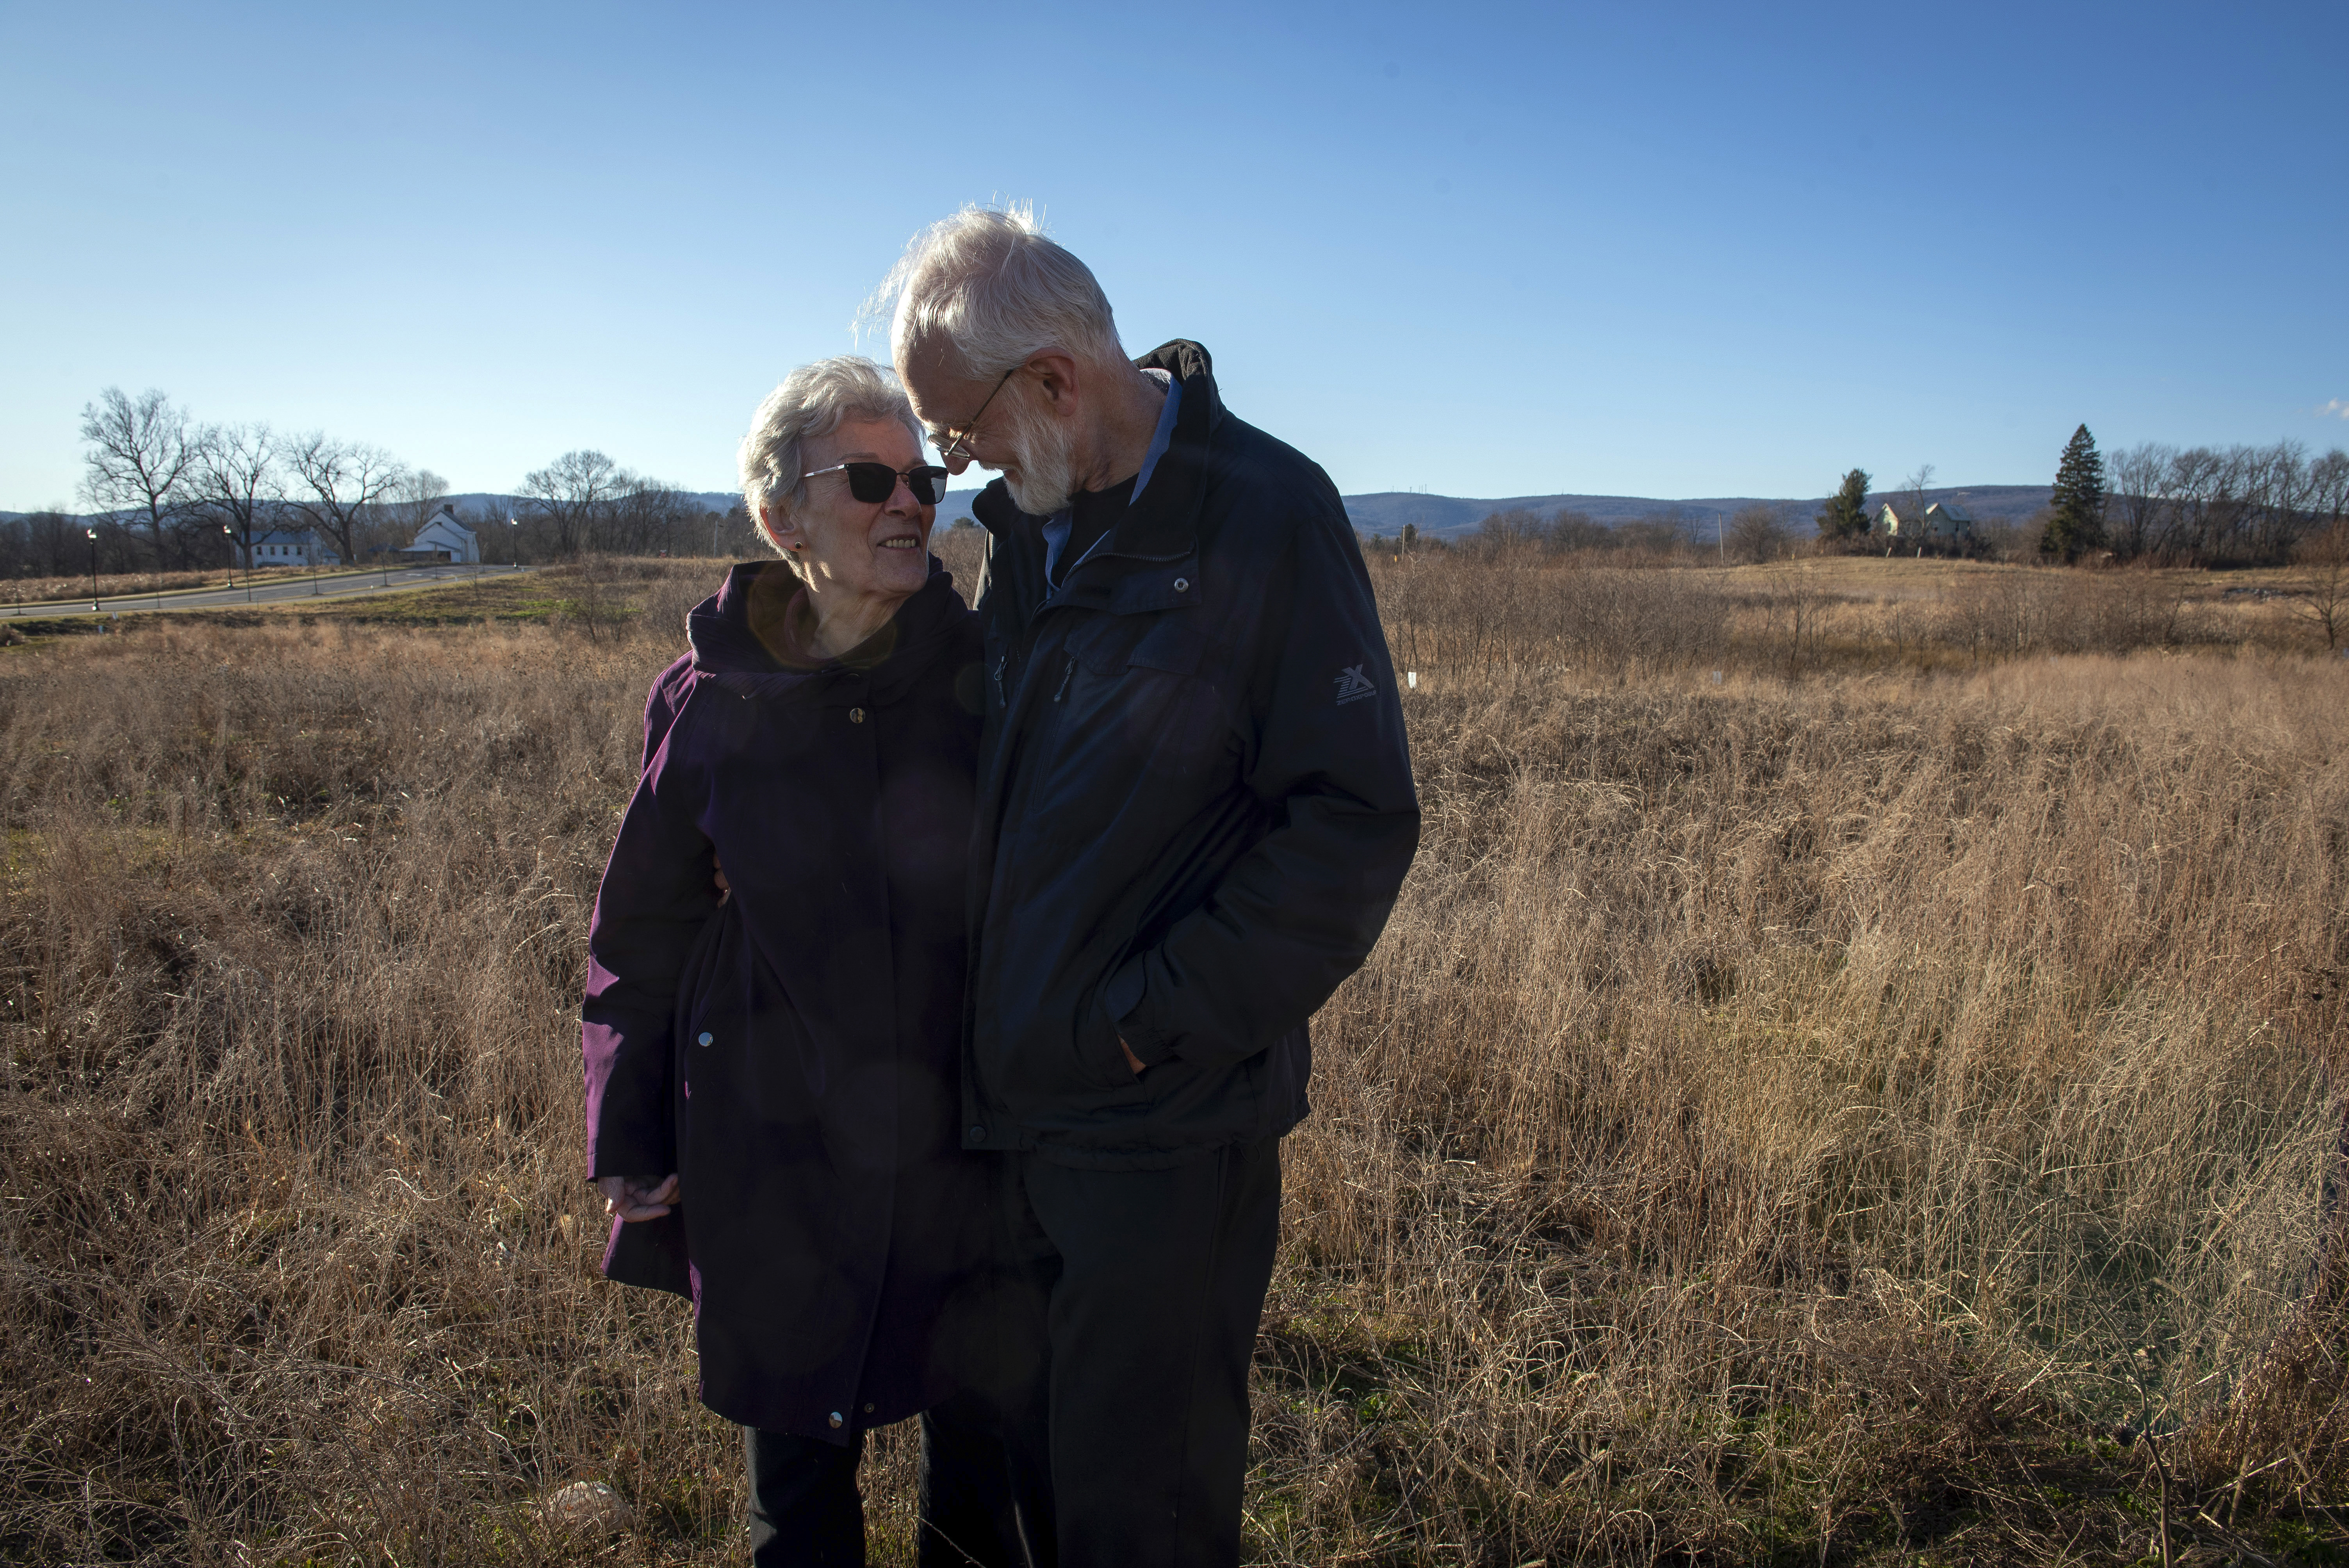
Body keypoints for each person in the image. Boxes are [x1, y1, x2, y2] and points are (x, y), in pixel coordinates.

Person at [879, 208, 1422, 1566]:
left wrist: (1146, 1022)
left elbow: (1351, 824)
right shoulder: (1028, 526)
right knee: (1027, 1496)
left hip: (1161, 1131)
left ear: (1056, 382)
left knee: (1145, 1515)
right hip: (1005, 1118)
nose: (954, 470)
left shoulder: (1264, 514)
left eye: (959, 433)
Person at [580, 356, 1012, 1566]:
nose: (911, 504)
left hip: (960, 1141)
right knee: (798, 1509)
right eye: (869, 478)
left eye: (923, 477)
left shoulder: (992, 680)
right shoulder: (710, 699)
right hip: (769, 1150)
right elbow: (642, 929)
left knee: (979, 1490)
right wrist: (629, 1134)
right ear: (781, 518)